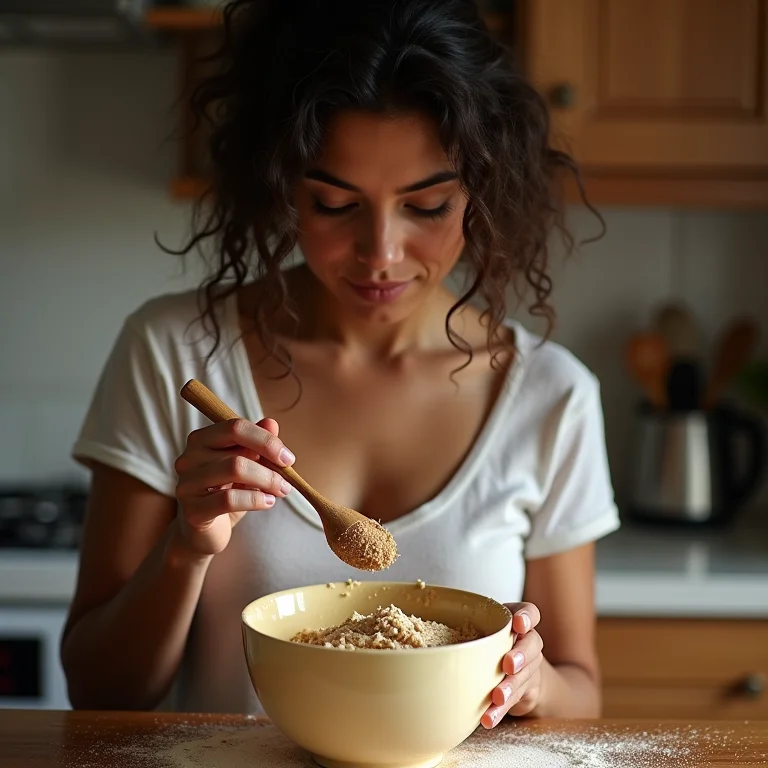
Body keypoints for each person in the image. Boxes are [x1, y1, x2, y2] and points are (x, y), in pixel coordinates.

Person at [60, 0, 620, 728]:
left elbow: (582, 690)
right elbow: (98, 692)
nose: (380, 253)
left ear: (478, 192)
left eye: (427, 205)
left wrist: (535, 681)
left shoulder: (553, 393)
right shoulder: (172, 350)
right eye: (334, 204)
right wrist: (186, 548)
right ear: (283, 185)